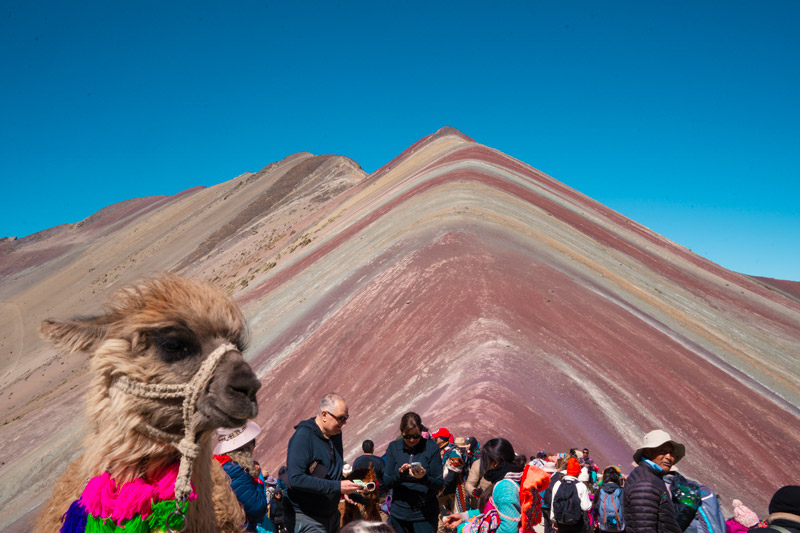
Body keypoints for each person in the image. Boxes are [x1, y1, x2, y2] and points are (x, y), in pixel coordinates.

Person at [285, 393, 361, 533]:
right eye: (340, 418)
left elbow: (331, 474)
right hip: (308, 517)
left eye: (346, 418)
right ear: (324, 414)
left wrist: (350, 489)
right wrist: (338, 486)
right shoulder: (303, 437)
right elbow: (296, 479)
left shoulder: (335, 435)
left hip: (331, 514)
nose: (344, 423)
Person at [442, 437, 527, 533]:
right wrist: (463, 516)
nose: (483, 465)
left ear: (494, 463)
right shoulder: (506, 479)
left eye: (485, 461)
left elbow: (509, 529)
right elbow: (490, 511)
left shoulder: (505, 487)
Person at [383, 412, 445, 533]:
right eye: (407, 436)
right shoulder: (394, 448)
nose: (411, 440)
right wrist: (400, 475)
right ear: (402, 432)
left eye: (416, 436)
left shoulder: (431, 448)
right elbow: (387, 482)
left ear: (421, 432)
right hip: (399, 515)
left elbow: (439, 484)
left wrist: (424, 477)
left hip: (424, 516)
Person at [623, 429, 684, 533]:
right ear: (647, 452)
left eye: (671, 453)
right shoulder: (645, 483)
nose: (669, 457)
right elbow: (644, 528)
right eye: (663, 451)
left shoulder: (651, 477)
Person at [213, 421, 268, 531]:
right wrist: (258, 479)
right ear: (246, 447)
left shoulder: (221, 466)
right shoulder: (236, 470)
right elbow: (258, 508)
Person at [549, 457, 592, 532]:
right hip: (576, 523)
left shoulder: (558, 484)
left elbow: (554, 503)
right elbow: (586, 507)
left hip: (561, 521)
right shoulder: (581, 486)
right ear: (578, 473)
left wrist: (554, 520)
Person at [432, 427, 466, 521]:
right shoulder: (439, 450)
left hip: (453, 489)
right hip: (442, 488)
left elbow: (453, 472)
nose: (435, 439)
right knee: (436, 513)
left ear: (442, 439)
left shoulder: (454, 452)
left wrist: (442, 485)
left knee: (458, 515)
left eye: (437, 437)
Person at [594, 466, 625, 532]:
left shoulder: (600, 491)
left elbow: (596, 508)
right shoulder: (621, 491)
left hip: (604, 526)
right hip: (619, 527)